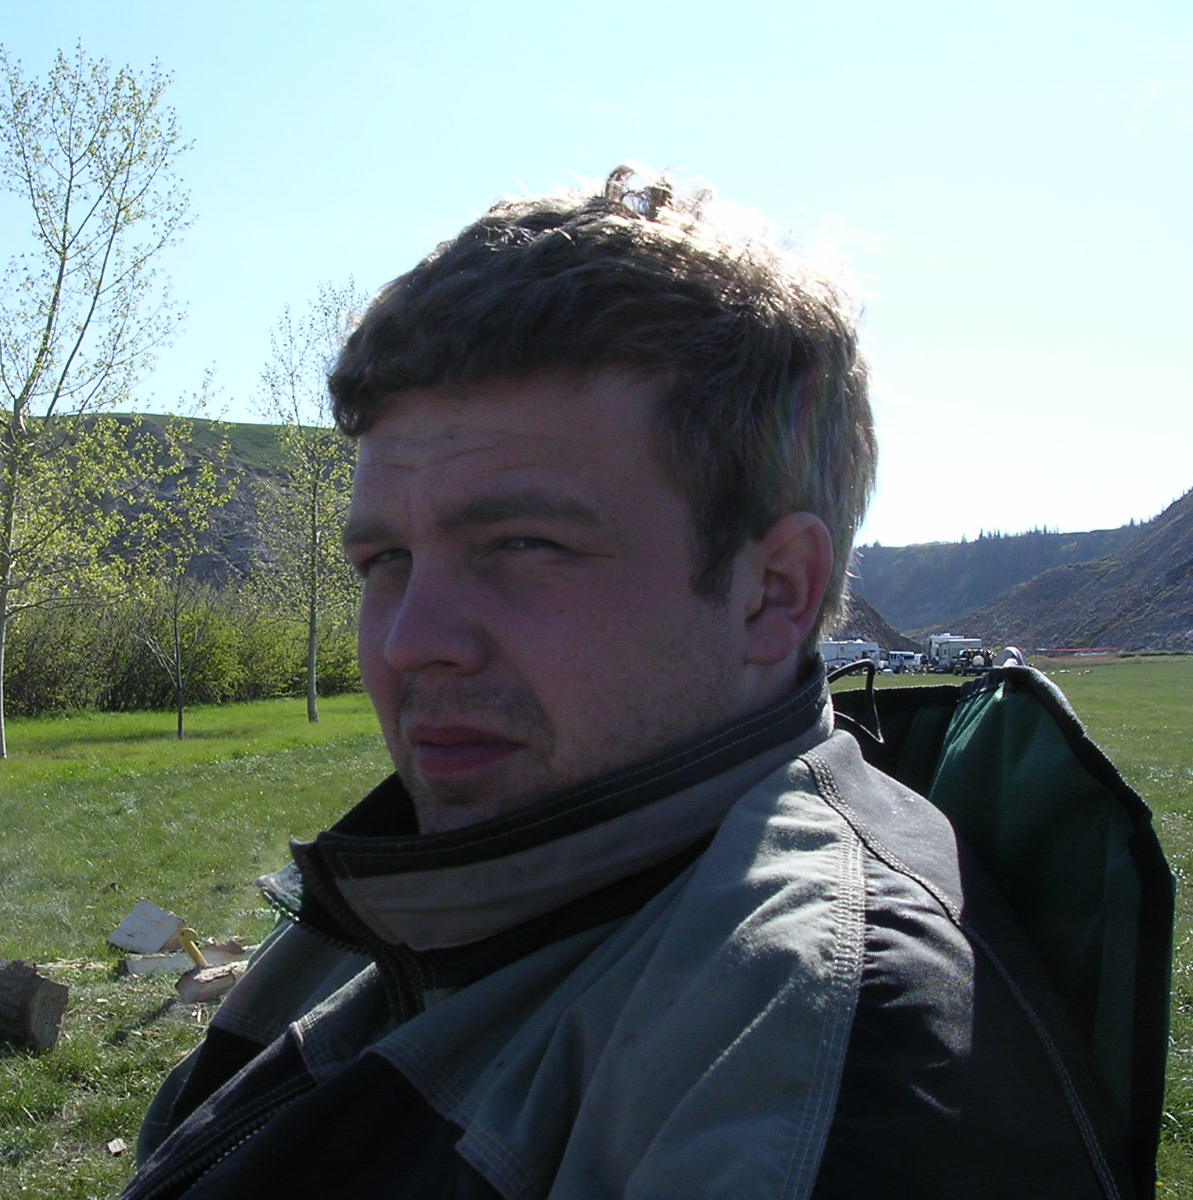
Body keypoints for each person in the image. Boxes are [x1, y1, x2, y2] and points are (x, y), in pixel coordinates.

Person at [122, 168, 1136, 1199]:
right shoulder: (446, 888)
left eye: (524, 544)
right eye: (385, 560)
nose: (410, 641)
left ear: (773, 594)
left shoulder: (818, 1050)